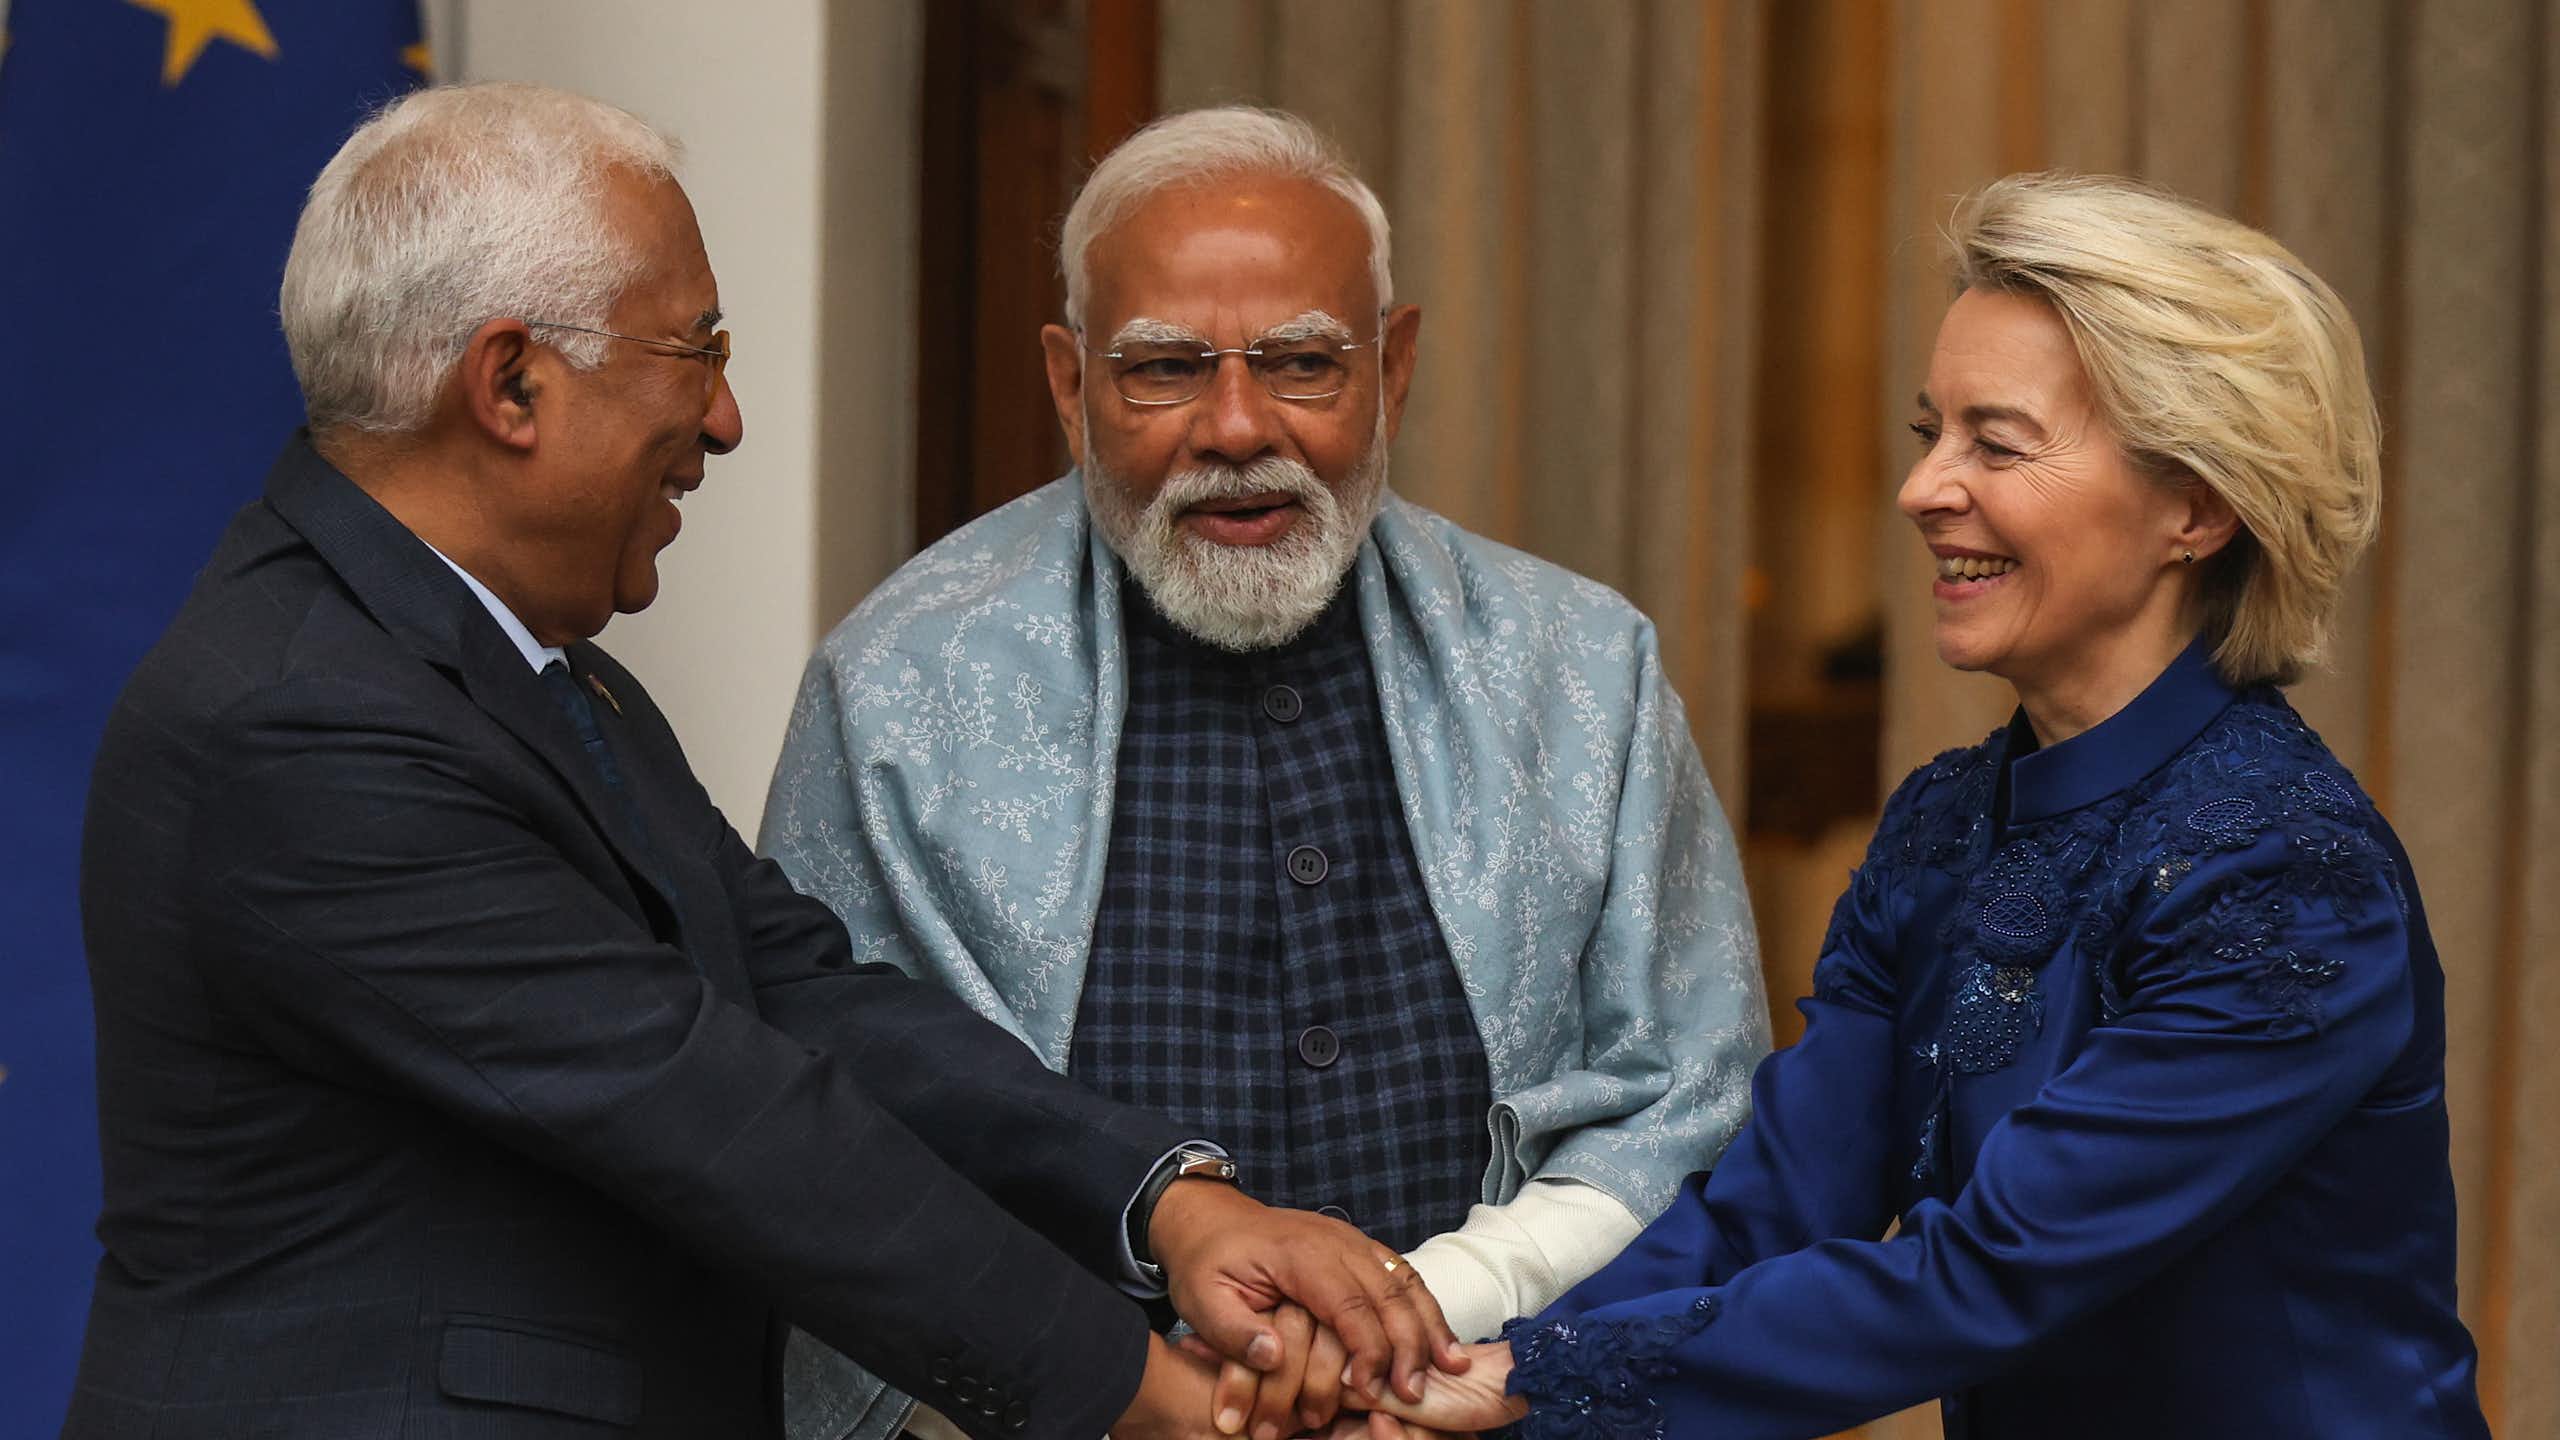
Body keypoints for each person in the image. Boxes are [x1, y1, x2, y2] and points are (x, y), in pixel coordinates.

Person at [67, 82, 1461, 1440]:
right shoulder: (309, 721)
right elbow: (729, 1122)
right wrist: (1150, 1403)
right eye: (698, 346)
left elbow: (798, 993)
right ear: (511, 383)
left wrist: (1171, 1203)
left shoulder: (537, 671)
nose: (726, 418)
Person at [1364, 172, 2491, 1438]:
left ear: (2196, 505)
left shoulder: (2288, 869)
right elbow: (1771, 1208)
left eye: (1995, 443)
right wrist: (1497, 1364)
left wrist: (1532, 1385)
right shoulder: (1946, 824)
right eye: (1930, 434)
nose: (1922, 490)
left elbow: (1990, 1272)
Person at [759, 107, 1770, 1440]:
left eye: (1303, 362)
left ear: (1394, 369)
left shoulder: (1578, 673)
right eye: (1163, 371)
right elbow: (833, 1127)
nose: (1237, 427)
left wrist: (1426, 1311)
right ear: (1069, 386)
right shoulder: (901, 685)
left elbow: (1698, 1102)